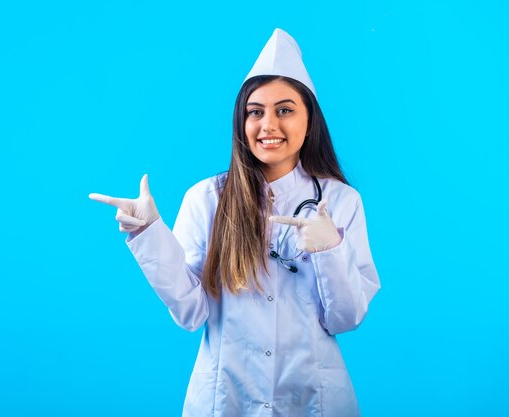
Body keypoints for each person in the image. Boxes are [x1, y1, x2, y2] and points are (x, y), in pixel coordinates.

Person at [89, 28, 380, 417]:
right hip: (227, 397)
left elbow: (345, 318)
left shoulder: (340, 201)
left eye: (285, 110)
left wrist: (330, 250)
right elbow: (191, 313)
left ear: (309, 121)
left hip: (314, 399)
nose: (268, 125)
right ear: (241, 123)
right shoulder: (207, 199)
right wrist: (149, 233)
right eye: (255, 112)